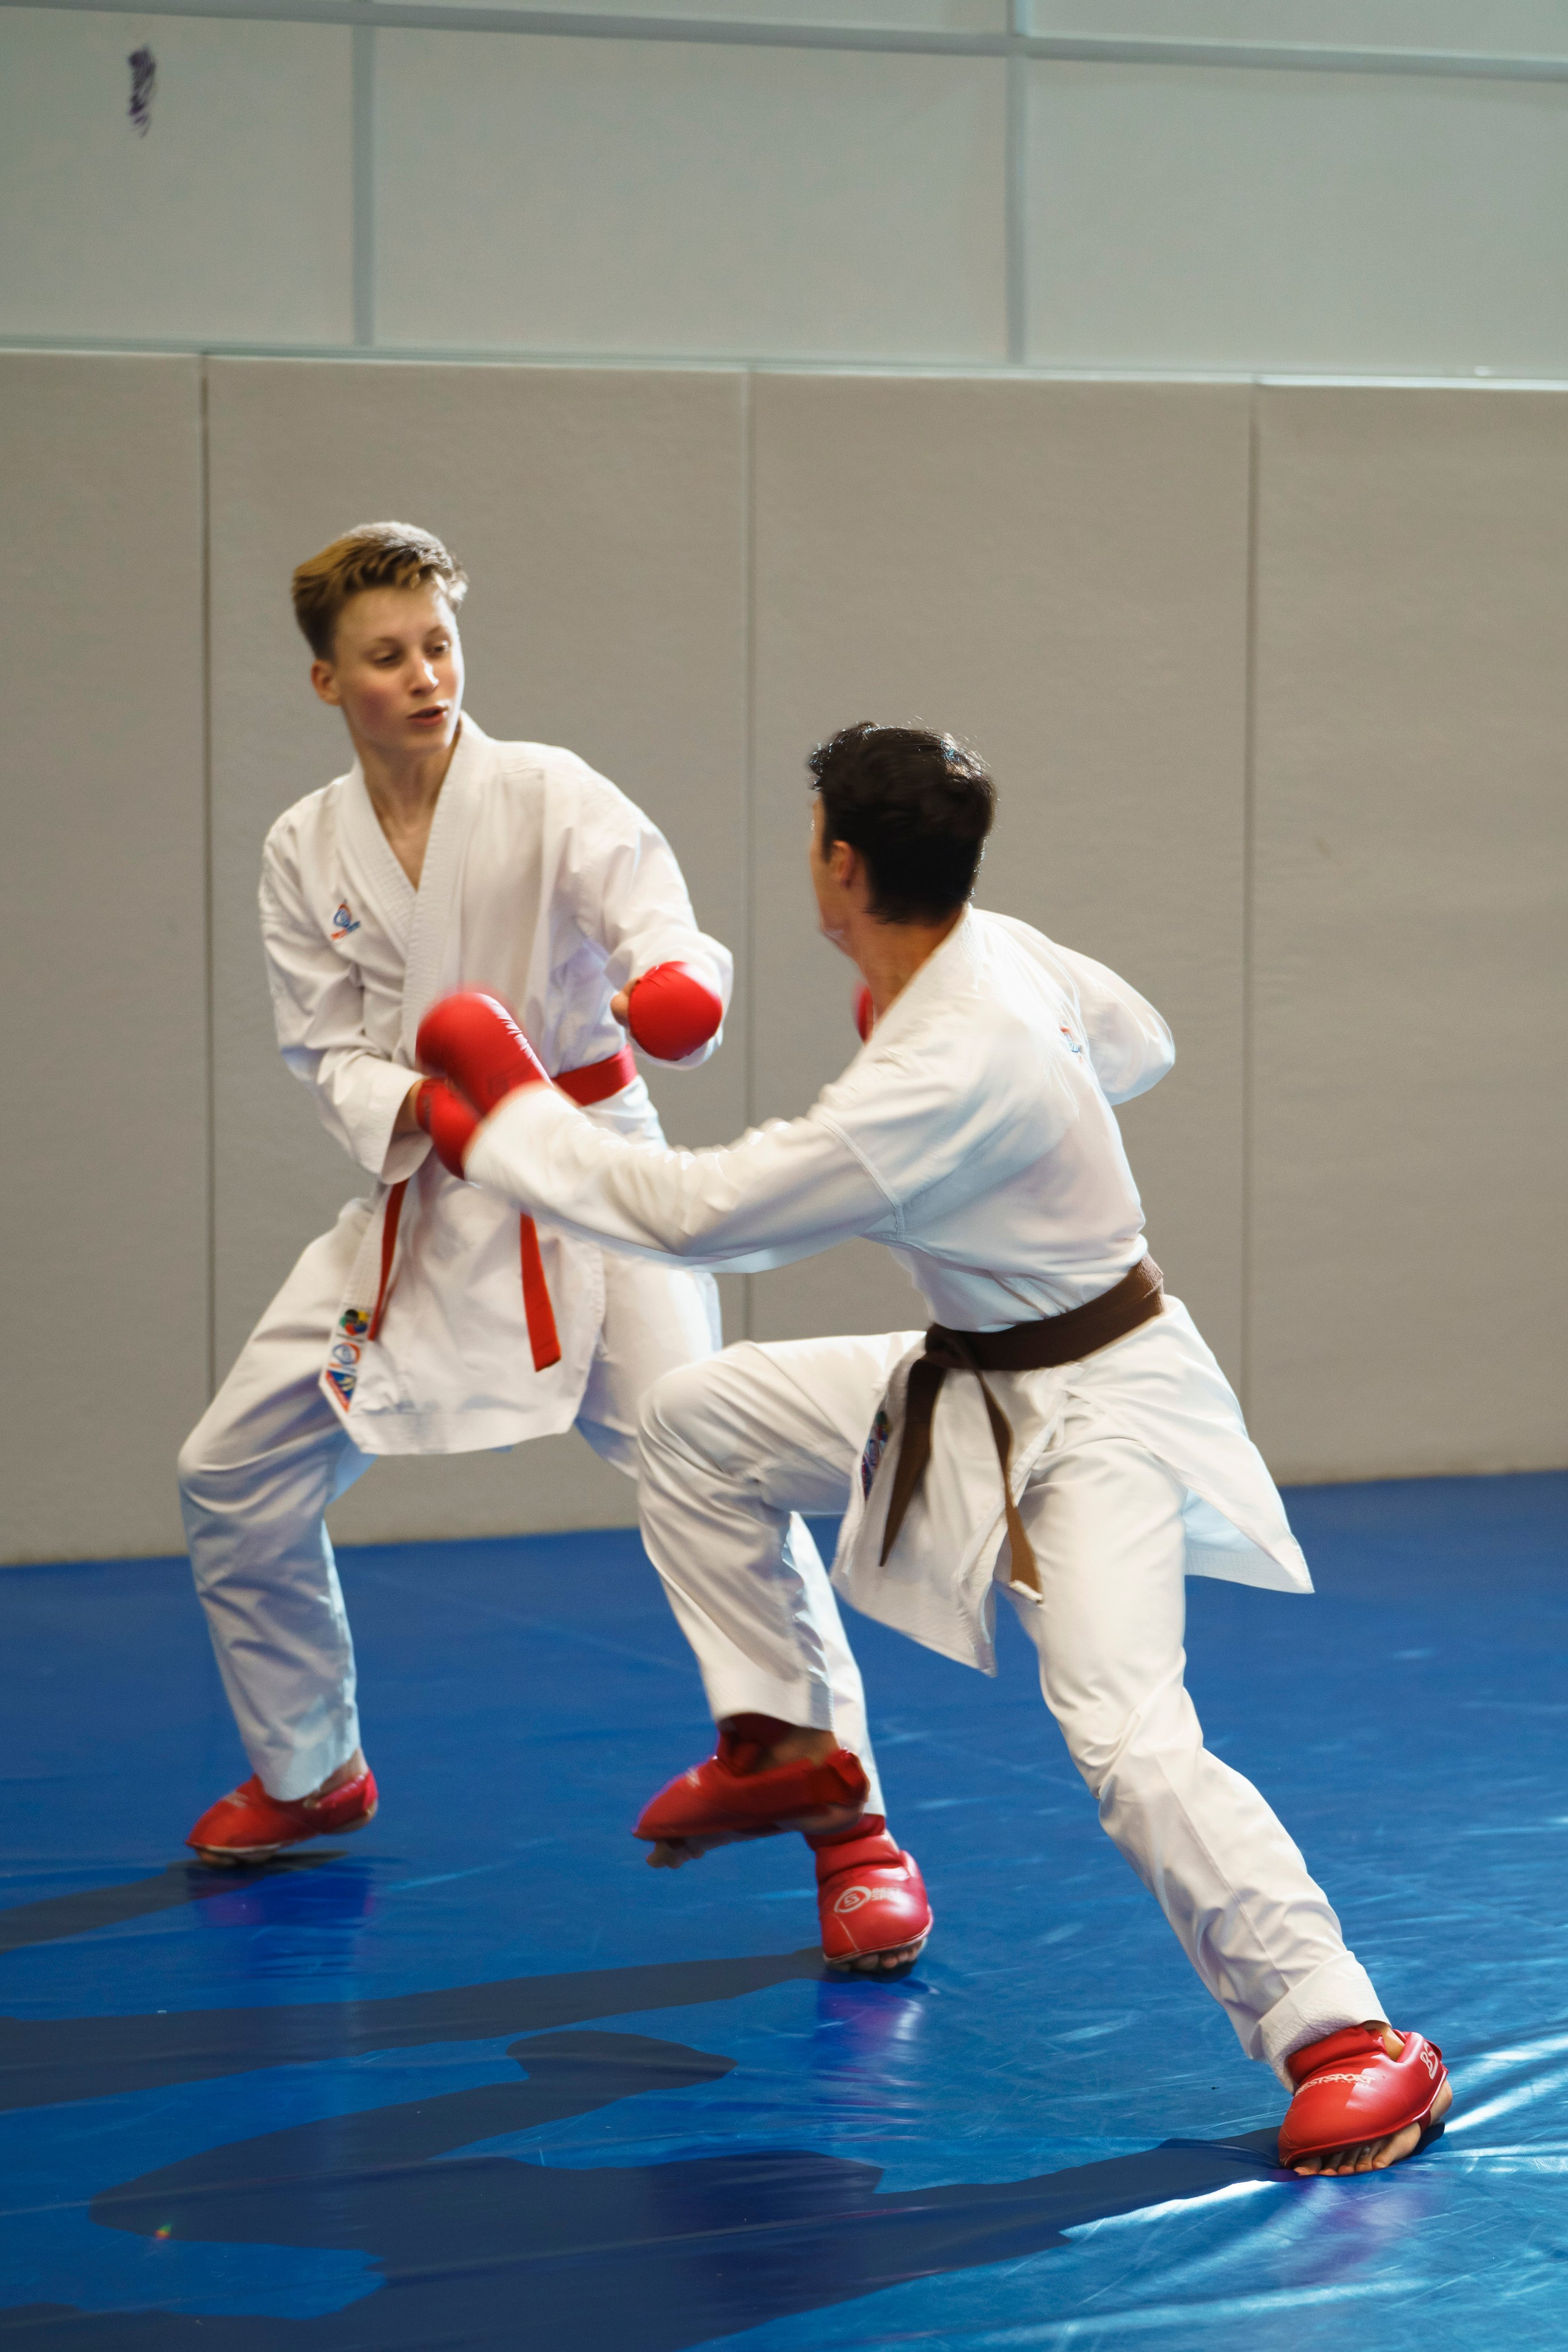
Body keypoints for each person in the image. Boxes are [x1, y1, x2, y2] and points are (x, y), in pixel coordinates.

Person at [413, 719, 1452, 2172]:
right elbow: (1139, 1041)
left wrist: (507, 1123)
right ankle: (787, 1740)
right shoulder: (994, 960)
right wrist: (1042, 1134)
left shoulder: (937, 1071)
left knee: (1127, 1740)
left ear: (838, 865)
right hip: (972, 1373)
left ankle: (1347, 2037)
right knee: (698, 1420)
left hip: (1098, 1407)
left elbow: (694, 1213)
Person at [178, 521, 733, 1875]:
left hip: (589, 1164)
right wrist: (430, 1108)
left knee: (709, 1471)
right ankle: (309, 1773)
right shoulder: (303, 849)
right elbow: (324, 1047)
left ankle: (847, 1822)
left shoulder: (547, 790)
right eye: (388, 656)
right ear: (328, 683)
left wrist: (677, 987)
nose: (426, 675)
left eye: (439, 644)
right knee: (230, 1475)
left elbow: (659, 923)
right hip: (429, 1185)